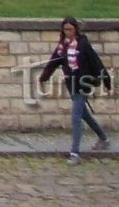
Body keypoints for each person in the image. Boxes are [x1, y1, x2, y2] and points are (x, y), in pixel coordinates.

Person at [36, 16, 110, 162]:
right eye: (65, 29)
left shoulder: (83, 44)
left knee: (76, 117)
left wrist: (107, 82)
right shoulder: (62, 46)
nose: (68, 32)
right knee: (84, 114)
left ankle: (75, 153)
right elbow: (53, 62)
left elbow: (96, 63)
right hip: (72, 85)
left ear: (75, 29)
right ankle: (104, 137)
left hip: (84, 83)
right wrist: (44, 77)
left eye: (70, 29)